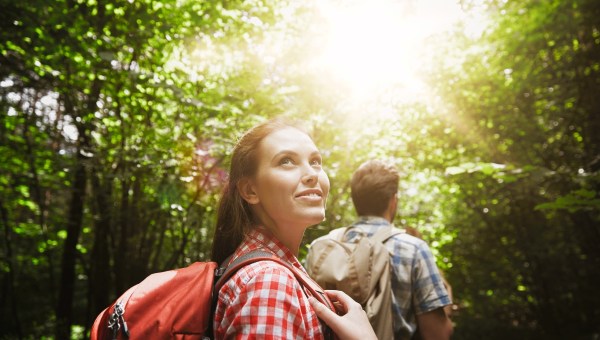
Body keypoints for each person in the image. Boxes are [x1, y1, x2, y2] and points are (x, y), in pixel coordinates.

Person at [211, 117, 376, 340]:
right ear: (250, 190)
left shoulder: (268, 269)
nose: (312, 174)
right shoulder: (269, 281)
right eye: (286, 161)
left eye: (316, 161)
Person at [325, 160, 453, 340]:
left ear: (355, 200)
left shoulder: (324, 244)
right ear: (394, 201)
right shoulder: (414, 249)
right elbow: (438, 334)